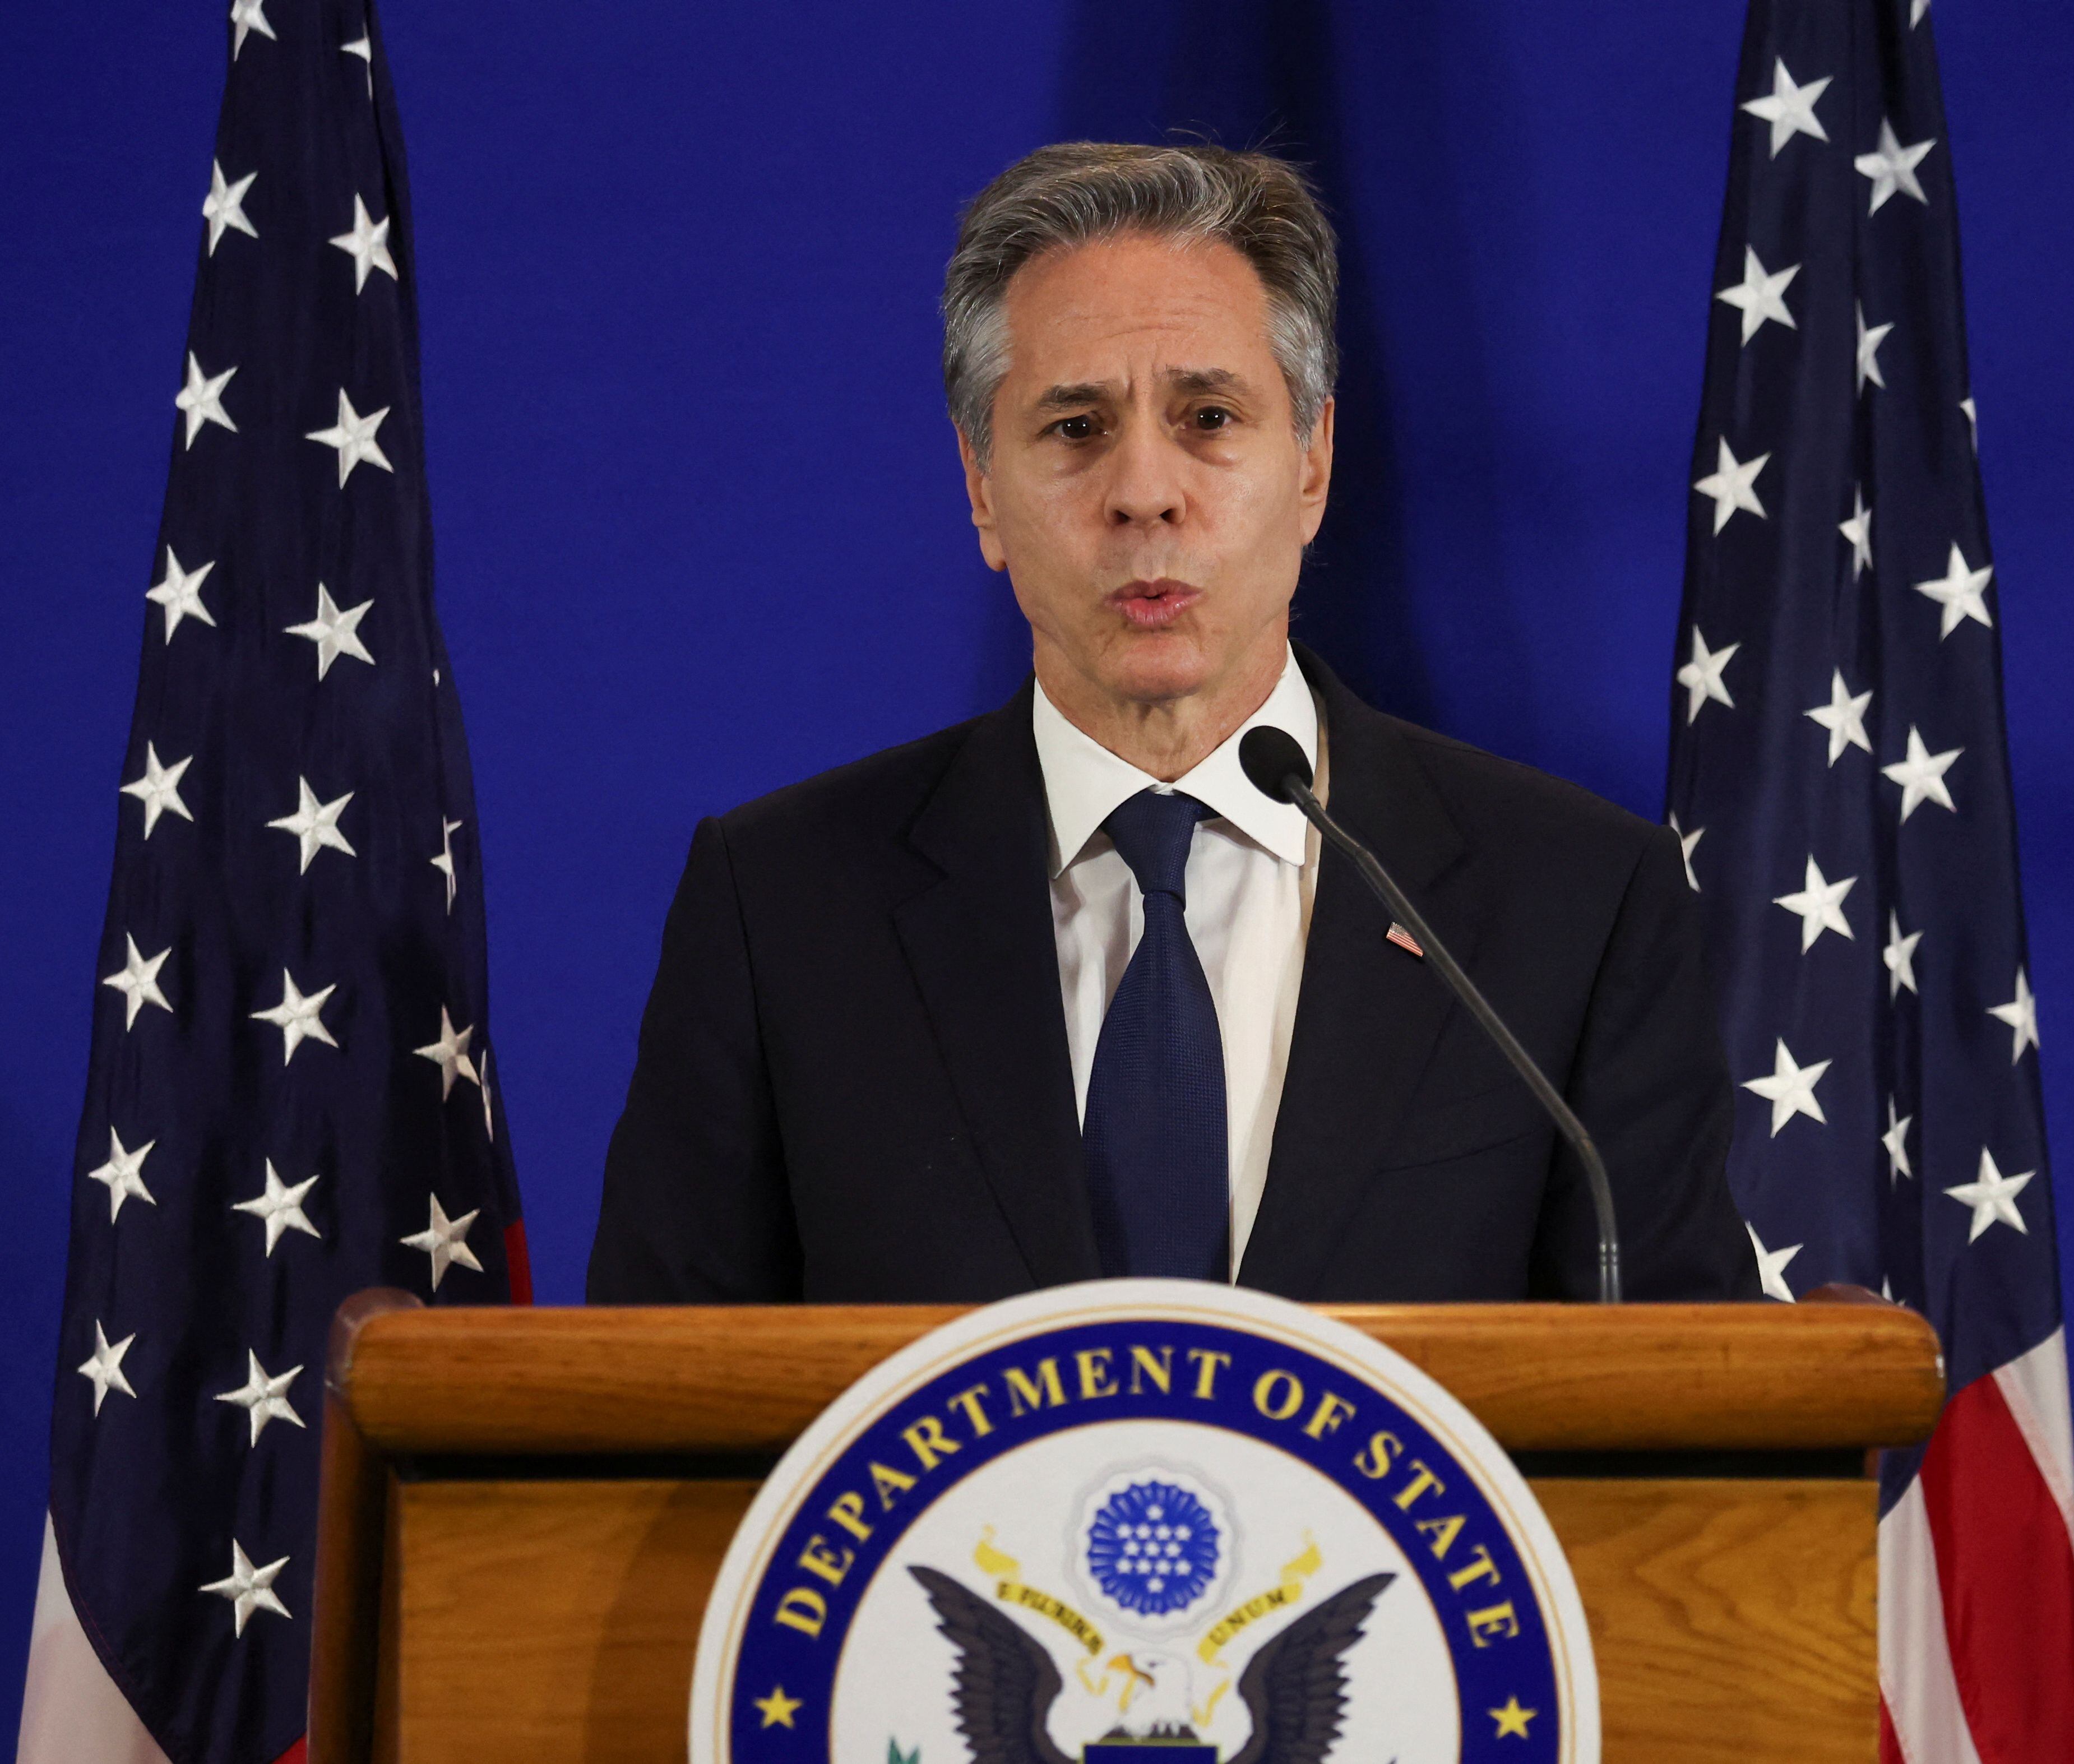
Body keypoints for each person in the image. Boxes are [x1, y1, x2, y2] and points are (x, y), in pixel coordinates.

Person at [587, 142, 1760, 1305]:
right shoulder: (782, 907)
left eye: (1206, 415)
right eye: (1074, 427)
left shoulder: (1571, 901)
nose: (1143, 490)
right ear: (981, 486)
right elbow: (644, 1421)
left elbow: (1685, 1420)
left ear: (1311, 462)